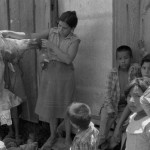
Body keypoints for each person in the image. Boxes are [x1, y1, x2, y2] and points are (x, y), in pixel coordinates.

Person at [1, 11, 81, 149]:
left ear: (72, 29)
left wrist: (52, 47)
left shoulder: (75, 40)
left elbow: (68, 59)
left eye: (65, 27)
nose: (60, 29)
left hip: (65, 78)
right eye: (59, 25)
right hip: (49, 76)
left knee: (66, 108)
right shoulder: (52, 32)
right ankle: (52, 135)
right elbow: (30, 36)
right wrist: (9, 33)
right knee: (51, 107)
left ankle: (68, 138)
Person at [98, 45, 141, 149]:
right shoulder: (112, 73)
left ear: (131, 58)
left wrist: (142, 51)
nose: (123, 61)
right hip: (111, 104)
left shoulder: (134, 70)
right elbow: (107, 93)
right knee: (103, 127)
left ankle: (113, 144)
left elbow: (144, 65)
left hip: (125, 106)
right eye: (120, 59)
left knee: (123, 126)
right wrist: (109, 108)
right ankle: (99, 145)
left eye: (126, 58)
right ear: (117, 60)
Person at [109, 53, 150, 149]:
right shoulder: (137, 84)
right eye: (144, 68)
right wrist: (118, 127)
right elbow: (130, 106)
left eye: (149, 68)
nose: (146, 71)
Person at [124, 78, 150, 150]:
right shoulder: (133, 117)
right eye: (129, 96)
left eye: (138, 96)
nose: (131, 100)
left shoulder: (148, 123)